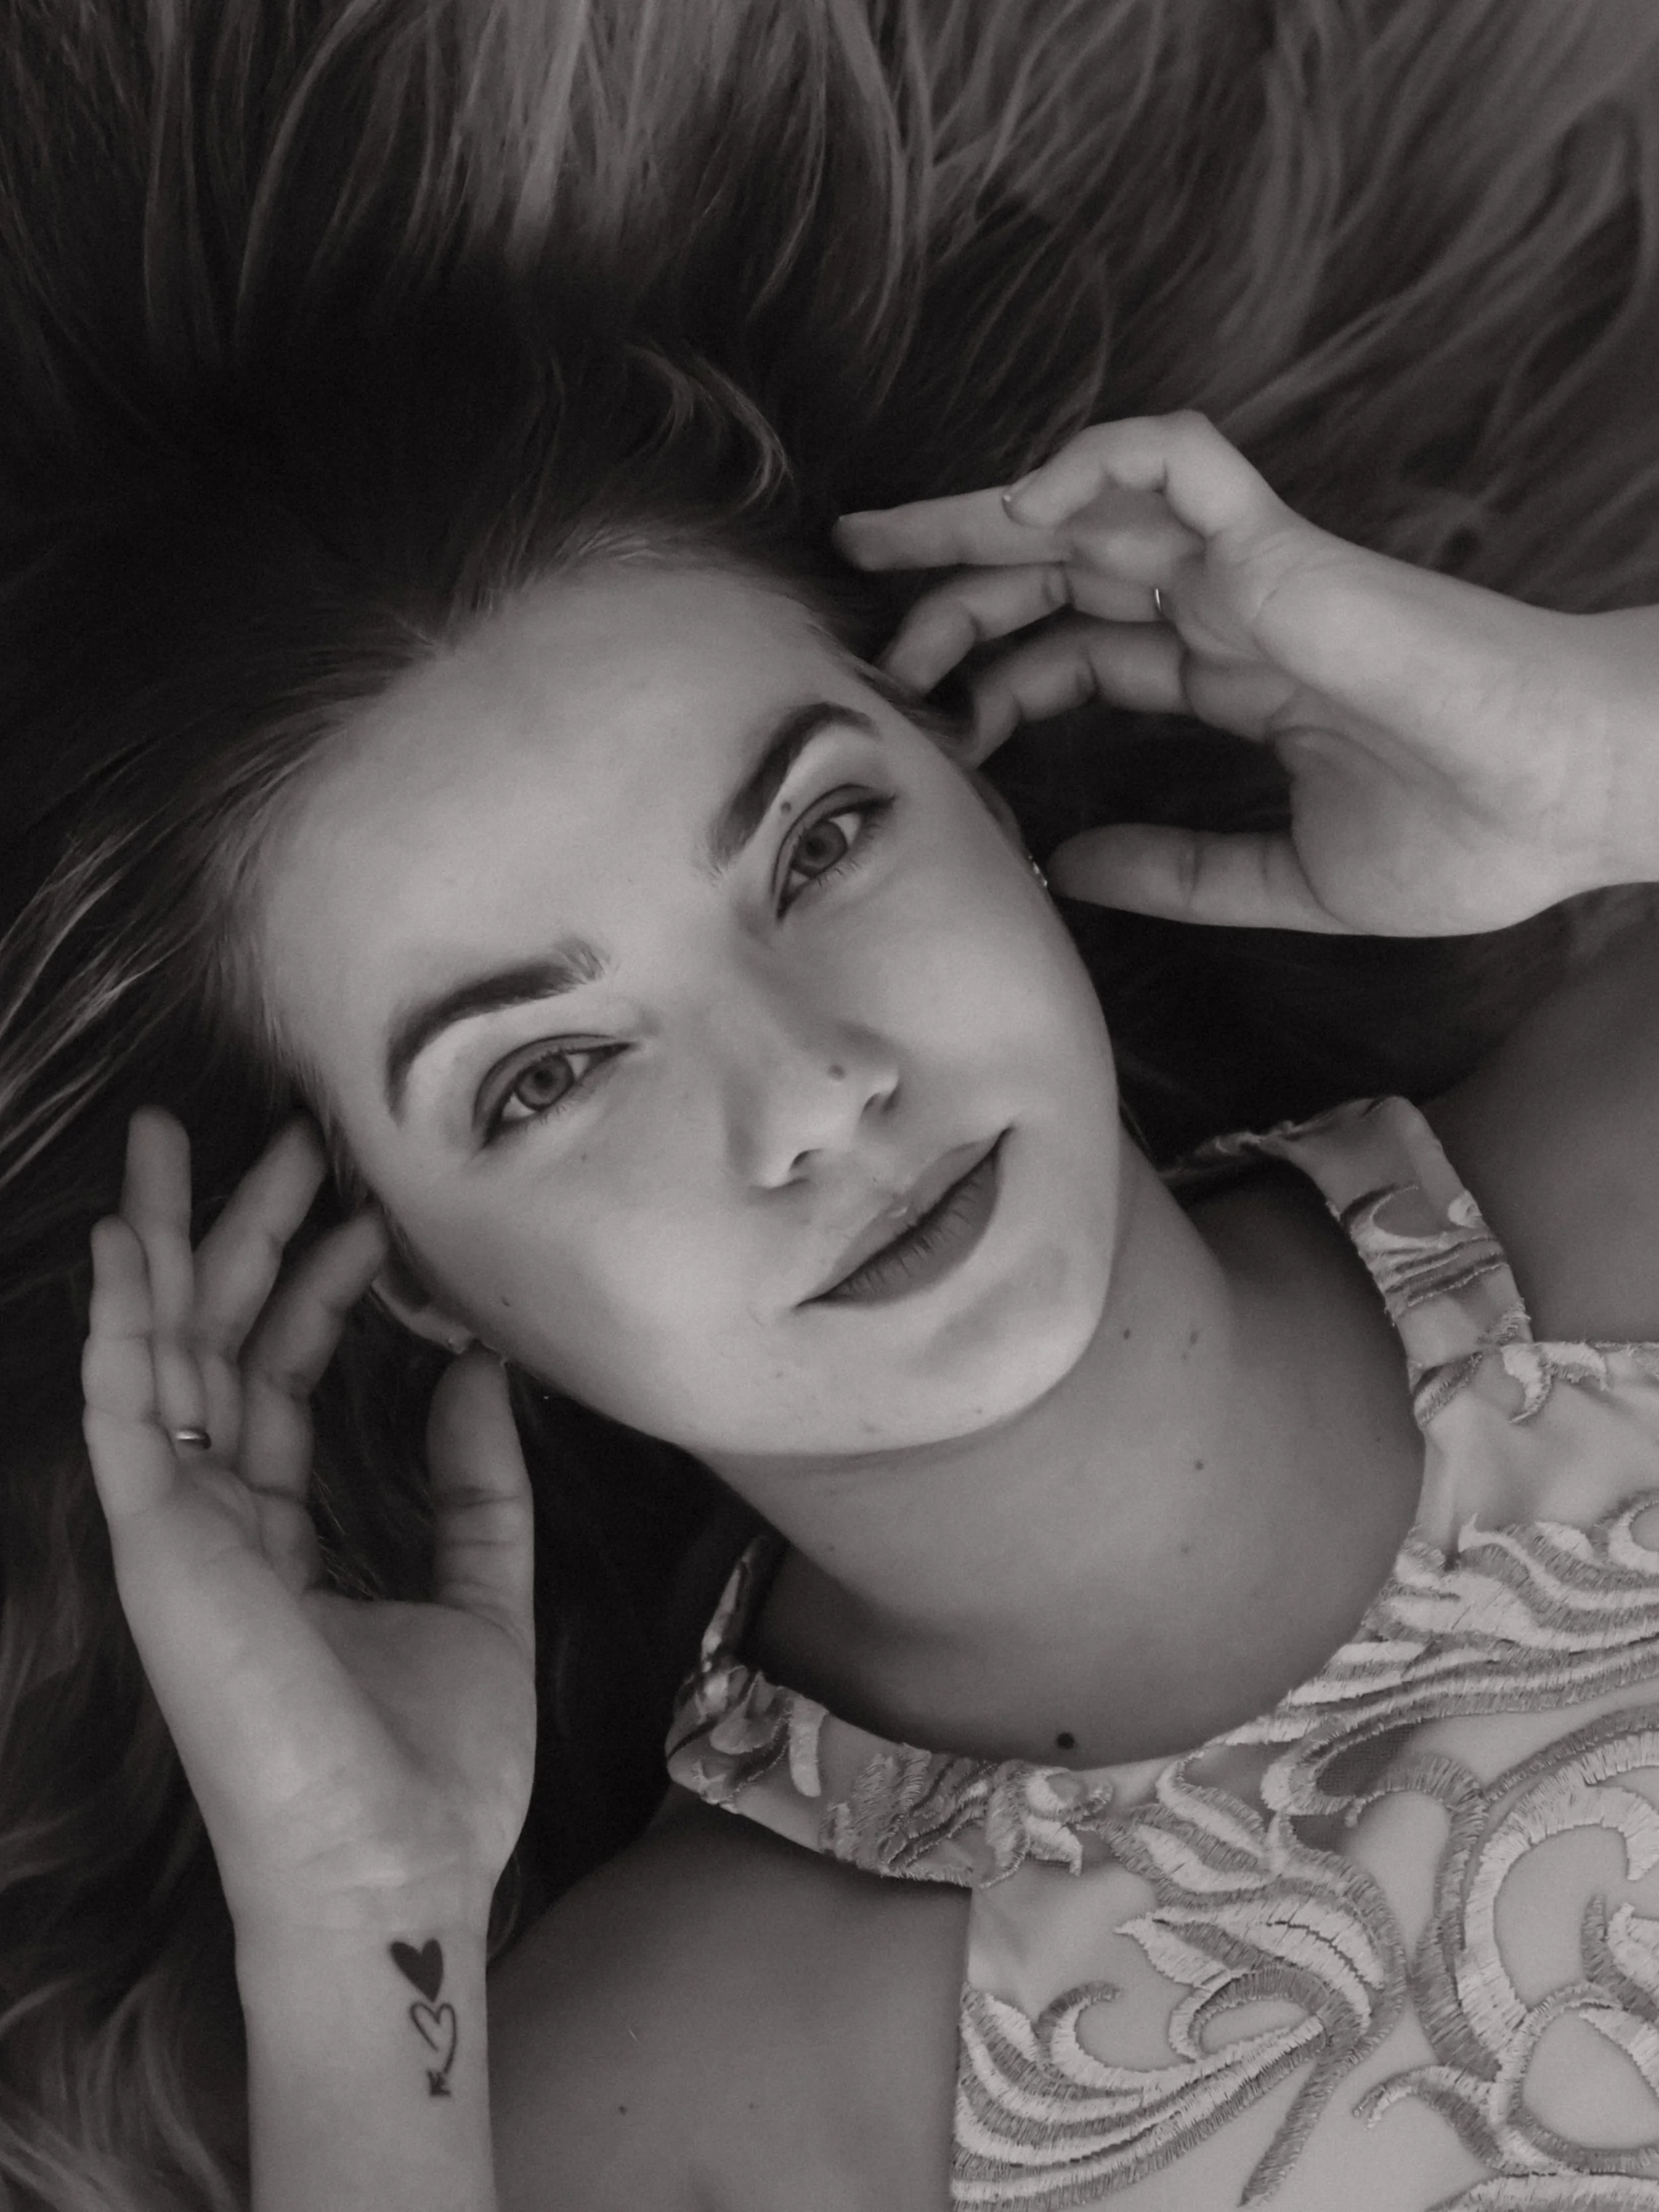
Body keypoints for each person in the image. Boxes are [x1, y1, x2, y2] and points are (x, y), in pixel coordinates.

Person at [11, 2, 1659, 2207]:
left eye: (817, 843)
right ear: (412, 1278)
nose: (807, 1088)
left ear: (984, 790)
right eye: (547, 1071)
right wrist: (352, 1921)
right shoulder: (683, 2093)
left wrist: (1602, 750)